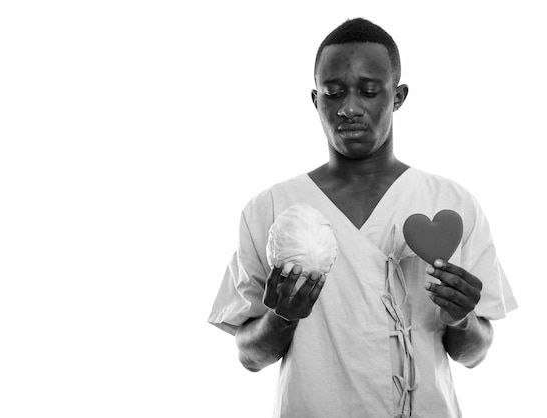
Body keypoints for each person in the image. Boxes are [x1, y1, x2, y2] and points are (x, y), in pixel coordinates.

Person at [208, 17, 517, 418]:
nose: (349, 108)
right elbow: (250, 356)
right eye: (333, 94)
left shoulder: (451, 203)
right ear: (316, 99)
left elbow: (474, 354)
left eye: (369, 91)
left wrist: (461, 319)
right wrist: (281, 318)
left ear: (398, 96)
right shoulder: (271, 208)